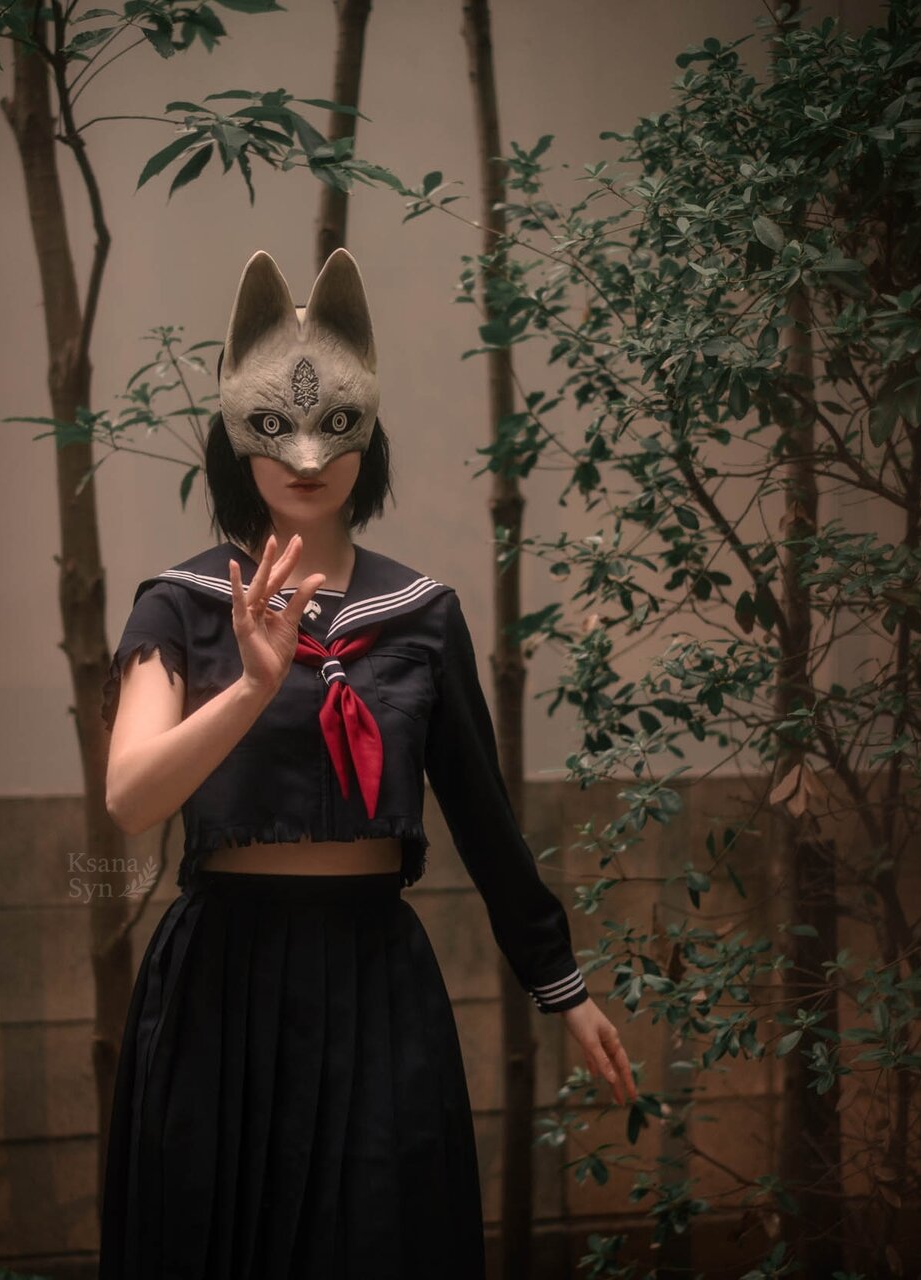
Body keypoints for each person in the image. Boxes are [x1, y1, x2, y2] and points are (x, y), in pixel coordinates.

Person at [97, 248, 637, 1280]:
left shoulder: (421, 614)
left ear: (369, 431)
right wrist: (252, 688)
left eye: (335, 423)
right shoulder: (179, 605)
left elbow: (483, 817)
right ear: (234, 433)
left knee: (383, 1240)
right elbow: (130, 799)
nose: (306, 454)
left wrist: (563, 988)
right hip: (222, 985)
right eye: (275, 425)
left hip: (373, 980)